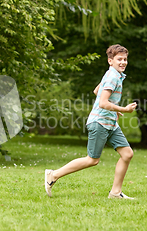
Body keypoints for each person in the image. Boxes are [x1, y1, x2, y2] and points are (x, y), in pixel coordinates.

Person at [45, 44, 137, 199]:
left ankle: (115, 193)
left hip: (110, 123)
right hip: (99, 123)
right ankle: (53, 175)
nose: (123, 62)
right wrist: (123, 109)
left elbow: (97, 91)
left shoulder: (112, 75)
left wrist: (114, 110)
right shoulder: (113, 76)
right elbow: (102, 102)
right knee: (92, 160)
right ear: (110, 61)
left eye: (125, 59)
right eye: (119, 59)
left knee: (127, 154)